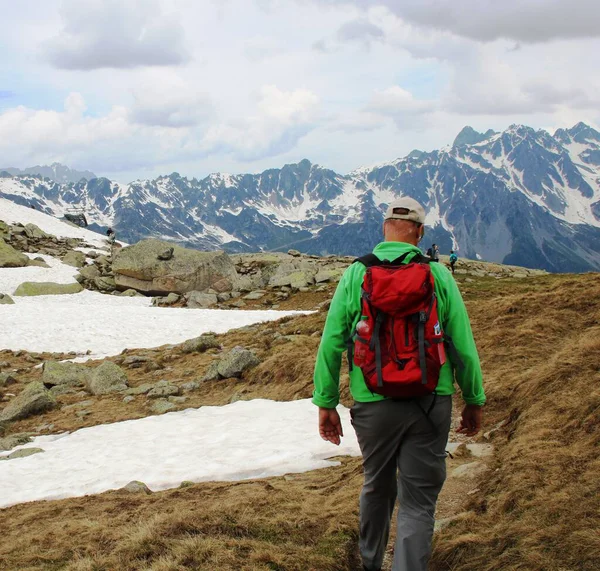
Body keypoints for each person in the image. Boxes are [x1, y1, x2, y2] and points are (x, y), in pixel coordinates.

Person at [313, 197, 485, 571]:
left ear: (383, 229)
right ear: (420, 234)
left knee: (376, 484)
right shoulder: (438, 275)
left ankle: (370, 563)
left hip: (372, 402)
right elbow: (463, 346)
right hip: (430, 400)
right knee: (418, 501)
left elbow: (331, 343)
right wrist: (474, 398)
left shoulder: (356, 274)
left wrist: (326, 403)